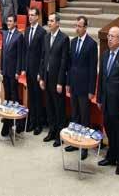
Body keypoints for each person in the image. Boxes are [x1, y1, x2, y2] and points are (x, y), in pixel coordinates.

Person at [96, 26, 119, 175]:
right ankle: (111, 157)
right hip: (105, 102)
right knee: (109, 130)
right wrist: (99, 98)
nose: (109, 38)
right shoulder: (105, 55)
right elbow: (102, 80)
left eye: (112, 36)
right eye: (109, 36)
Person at [65, 16, 98, 160]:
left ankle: (84, 146)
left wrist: (92, 90)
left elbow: (92, 69)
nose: (77, 28)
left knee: (85, 117)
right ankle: (74, 142)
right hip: (73, 85)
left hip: (85, 88)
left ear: (85, 27)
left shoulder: (91, 44)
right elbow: (69, 65)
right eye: (76, 25)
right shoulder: (72, 42)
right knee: (75, 115)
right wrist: (67, 83)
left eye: (79, 26)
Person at [39, 13, 69, 147]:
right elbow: (43, 58)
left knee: (59, 109)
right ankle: (51, 131)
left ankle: (59, 135)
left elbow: (64, 62)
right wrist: (41, 76)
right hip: (47, 77)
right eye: (48, 21)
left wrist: (60, 82)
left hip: (57, 80)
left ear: (58, 23)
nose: (49, 23)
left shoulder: (64, 39)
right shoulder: (46, 37)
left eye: (51, 21)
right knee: (50, 107)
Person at [21, 8, 46, 135]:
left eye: (32, 15)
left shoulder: (42, 32)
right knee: (31, 97)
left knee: (38, 97)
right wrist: (24, 68)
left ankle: (39, 124)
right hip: (29, 70)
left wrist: (40, 73)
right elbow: (25, 51)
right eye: (29, 15)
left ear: (38, 17)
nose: (30, 17)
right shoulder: (26, 30)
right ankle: (31, 121)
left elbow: (43, 55)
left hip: (37, 72)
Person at [0, 15, 24, 137]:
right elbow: (3, 51)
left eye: (11, 21)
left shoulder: (19, 36)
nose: (8, 23)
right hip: (5, 70)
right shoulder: (4, 34)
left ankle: (18, 122)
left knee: (15, 97)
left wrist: (18, 71)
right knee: (7, 97)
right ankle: (8, 121)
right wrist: (0, 67)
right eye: (7, 21)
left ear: (15, 23)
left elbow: (20, 55)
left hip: (13, 71)